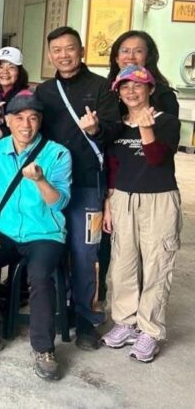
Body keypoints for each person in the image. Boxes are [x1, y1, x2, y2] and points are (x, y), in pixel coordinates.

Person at [0, 93, 72, 380]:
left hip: (44, 232)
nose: (26, 125)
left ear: (40, 121)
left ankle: (43, 348)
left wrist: (41, 180)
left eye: (33, 118)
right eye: (19, 118)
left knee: (39, 275)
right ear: (7, 121)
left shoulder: (58, 154)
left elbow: (59, 203)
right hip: (5, 229)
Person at [34, 26, 120, 350]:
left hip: (88, 186)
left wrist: (96, 129)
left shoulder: (101, 87)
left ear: (81, 51)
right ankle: (61, 310)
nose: (64, 55)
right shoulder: (44, 91)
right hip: (52, 186)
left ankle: (86, 320)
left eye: (69, 48)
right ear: (49, 55)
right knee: (52, 249)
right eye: (56, 50)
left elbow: (115, 132)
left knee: (86, 254)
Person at [97, 66, 181, 363]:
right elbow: (113, 168)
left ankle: (150, 330)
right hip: (122, 198)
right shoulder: (117, 127)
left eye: (137, 86)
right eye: (125, 87)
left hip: (159, 198)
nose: (131, 92)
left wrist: (146, 128)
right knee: (123, 263)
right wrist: (109, 203)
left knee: (158, 263)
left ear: (150, 89)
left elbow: (156, 158)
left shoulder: (167, 121)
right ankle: (125, 322)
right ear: (118, 93)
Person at [108, 31, 179, 117]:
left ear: (148, 57)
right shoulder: (104, 90)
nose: (131, 57)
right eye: (125, 51)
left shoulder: (165, 96)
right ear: (116, 58)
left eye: (138, 51)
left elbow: (170, 124)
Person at [0, 46, 30, 141]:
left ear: (19, 72)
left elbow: (26, 128)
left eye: (11, 67)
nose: (4, 72)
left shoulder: (26, 96)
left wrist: (1, 125)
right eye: (0, 67)